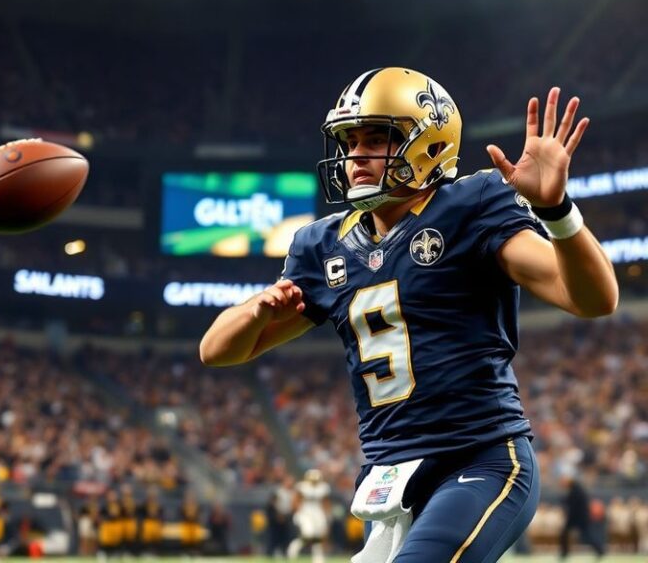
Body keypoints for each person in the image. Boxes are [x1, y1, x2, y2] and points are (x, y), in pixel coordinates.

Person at [199, 67, 618, 562]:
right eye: (350, 142)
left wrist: (556, 212)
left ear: (430, 144)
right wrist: (254, 310)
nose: (356, 156)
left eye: (375, 139)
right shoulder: (323, 246)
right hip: (390, 478)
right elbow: (216, 351)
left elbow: (594, 299)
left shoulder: (470, 206)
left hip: (479, 458)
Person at [286, 469, 331, 563]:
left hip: (317, 511)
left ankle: (318, 557)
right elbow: (295, 499)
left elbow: (326, 502)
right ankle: (294, 547)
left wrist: (327, 514)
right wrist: (297, 511)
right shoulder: (302, 486)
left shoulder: (323, 487)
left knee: (318, 535)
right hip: (305, 512)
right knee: (308, 533)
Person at [559, 472, 605, 559]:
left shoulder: (576, 490)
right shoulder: (575, 488)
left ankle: (600, 550)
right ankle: (564, 552)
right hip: (578, 517)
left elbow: (573, 505)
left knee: (587, 535)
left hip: (579, 518)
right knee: (584, 534)